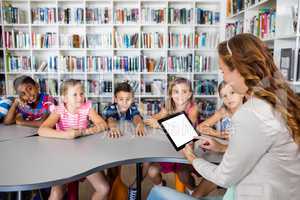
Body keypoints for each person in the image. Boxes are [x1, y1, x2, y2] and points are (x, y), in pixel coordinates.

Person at [147, 33, 300, 200]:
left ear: (239, 70)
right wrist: (220, 147)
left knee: (156, 193)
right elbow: (263, 150)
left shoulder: (251, 113)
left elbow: (223, 177)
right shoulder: (282, 100)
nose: (224, 77)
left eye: (223, 71)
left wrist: (192, 157)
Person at [38, 79, 109, 200]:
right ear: (65, 98)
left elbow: (103, 125)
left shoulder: (87, 108)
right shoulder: (59, 110)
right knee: (56, 194)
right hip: (62, 157)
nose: (80, 98)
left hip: (85, 156)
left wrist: (82, 132)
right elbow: (42, 130)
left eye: (81, 93)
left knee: (104, 189)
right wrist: (67, 135)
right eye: (75, 95)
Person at [144, 77, 211, 197]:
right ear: (170, 94)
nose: (180, 95)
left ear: (190, 94)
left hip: (187, 149)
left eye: (184, 91)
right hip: (170, 148)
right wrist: (149, 120)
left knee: (183, 174)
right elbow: (155, 118)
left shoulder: (193, 108)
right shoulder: (169, 106)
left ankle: (193, 192)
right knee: (152, 171)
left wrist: (161, 125)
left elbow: (187, 131)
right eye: (176, 91)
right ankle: (160, 189)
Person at [102, 82, 145, 187]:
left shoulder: (133, 107)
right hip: (110, 142)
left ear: (133, 98)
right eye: (121, 99)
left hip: (124, 142)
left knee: (121, 167)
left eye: (128, 99)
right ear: (115, 99)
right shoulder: (110, 108)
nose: (125, 103)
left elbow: (136, 117)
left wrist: (139, 124)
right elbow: (111, 119)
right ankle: (111, 184)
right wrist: (113, 126)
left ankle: (118, 184)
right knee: (112, 169)